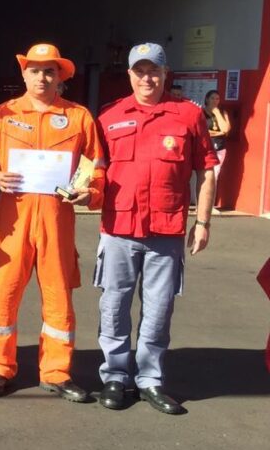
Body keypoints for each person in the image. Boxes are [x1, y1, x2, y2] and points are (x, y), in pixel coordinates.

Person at [0, 43, 105, 401]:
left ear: (60, 76)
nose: (42, 76)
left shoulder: (80, 117)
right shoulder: (3, 113)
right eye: (35, 70)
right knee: (4, 292)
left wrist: (91, 193)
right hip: (13, 222)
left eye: (50, 70)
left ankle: (57, 371)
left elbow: (98, 166)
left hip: (57, 221)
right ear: (24, 73)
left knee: (58, 295)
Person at [95, 43, 217, 415]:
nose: (146, 78)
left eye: (154, 71)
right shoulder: (108, 116)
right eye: (139, 71)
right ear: (129, 74)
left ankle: (150, 379)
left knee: (159, 309)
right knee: (114, 305)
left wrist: (204, 221)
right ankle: (115, 376)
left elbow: (206, 169)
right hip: (118, 228)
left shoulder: (188, 116)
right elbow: (93, 168)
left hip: (166, 229)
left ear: (166, 74)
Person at [203, 90, 231, 209]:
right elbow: (202, 131)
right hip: (205, 148)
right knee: (202, 175)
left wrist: (217, 113)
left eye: (217, 99)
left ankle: (210, 205)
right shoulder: (201, 113)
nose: (215, 101)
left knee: (215, 175)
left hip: (219, 149)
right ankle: (198, 203)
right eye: (213, 98)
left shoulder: (222, 113)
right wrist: (216, 132)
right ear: (207, 99)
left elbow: (225, 130)